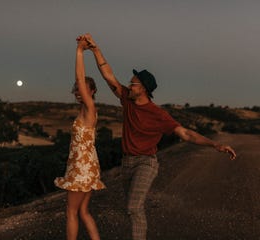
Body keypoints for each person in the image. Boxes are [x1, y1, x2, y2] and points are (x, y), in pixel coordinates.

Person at [77, 33, 237, 240]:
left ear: (143, 89)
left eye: (133, 83)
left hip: (147, 163)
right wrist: (95, 50)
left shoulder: (158, 115)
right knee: (132, 210)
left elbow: (186, 133)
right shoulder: (127, 99)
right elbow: (108, 75)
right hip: (127, 163)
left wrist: (215, 144)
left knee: (134, 207)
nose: (129, 85)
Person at [54, 36, 106, 240]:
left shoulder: (90, 108)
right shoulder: (86, 110)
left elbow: (79, 76)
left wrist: (79, 51)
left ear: (91, 92)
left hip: (81, 167)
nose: (78, 91)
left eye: (82, 89)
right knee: (83, 212)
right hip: (87, 165)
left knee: (71, 212)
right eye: (76, 89)